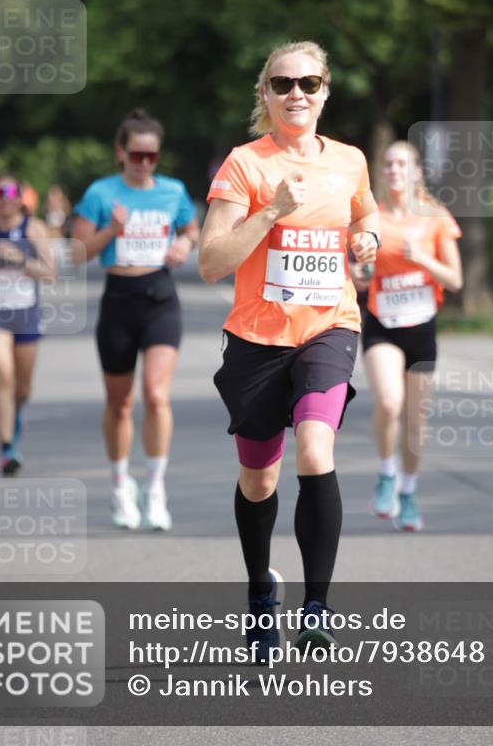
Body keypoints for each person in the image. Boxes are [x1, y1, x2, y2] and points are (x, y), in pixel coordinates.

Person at [199, 41, 380, 660]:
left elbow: (366, 218)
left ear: (325, 90)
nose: (296, 93)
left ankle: (317, 608)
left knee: (315, 449)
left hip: (329, 328)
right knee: (258, 479)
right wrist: (272, 211)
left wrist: (369, 240)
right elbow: (211, 262)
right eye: (282, 84)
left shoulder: (350, 160)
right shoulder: (244, 165)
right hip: (257, 340)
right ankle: (259, 592)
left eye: (308, 82)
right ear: (266, 94)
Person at [71, 108, 199, 531]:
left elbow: (191, 230)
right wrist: (111, 230)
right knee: (120, 403)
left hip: (160, 298)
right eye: (137, 155)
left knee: (157, 396)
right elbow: (76, 252)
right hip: (118, 301)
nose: (144, 163)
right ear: (120, 153)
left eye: (152, 156)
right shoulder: (101, 193)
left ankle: (156, 486)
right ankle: (119, 484)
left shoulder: (173, 190)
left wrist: (184, 245)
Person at [352, 140, 462, 532]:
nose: (394, 170)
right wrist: (360, 273)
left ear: (416, 172)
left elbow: (455, 279)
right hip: (382, 323)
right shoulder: (373, 219)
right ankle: (387, 474)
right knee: (388, 402)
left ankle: (409, 492)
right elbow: (359, 275)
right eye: (388, 164)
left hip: (421, 326)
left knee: (415, 422)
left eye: (402, 164)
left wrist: (424, 258)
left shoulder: (436, 218)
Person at [0, 176, 55, 475]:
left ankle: (16, 415)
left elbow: (50, 273)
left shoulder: (32, 229)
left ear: (21, 198)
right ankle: (6, 448)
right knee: (4, 374)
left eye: (12, 192)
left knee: (22, 387)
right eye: (0, 192)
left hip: (26, 313)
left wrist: (18, 259)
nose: (6, 197)